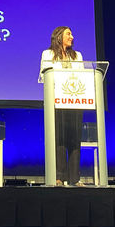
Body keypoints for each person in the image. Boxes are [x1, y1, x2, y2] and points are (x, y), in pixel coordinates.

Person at [39, 26, 84, 187]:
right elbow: (44, 76)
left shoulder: (77, 55)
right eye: (68, 34)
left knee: (74, 140)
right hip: (56, 102)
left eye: (71, 33)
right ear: (59, 37)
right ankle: (58, 177)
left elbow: (82, 78)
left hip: (75, 102)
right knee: (58, 139)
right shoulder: (48, 54)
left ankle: (75, 179)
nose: (72, 36)